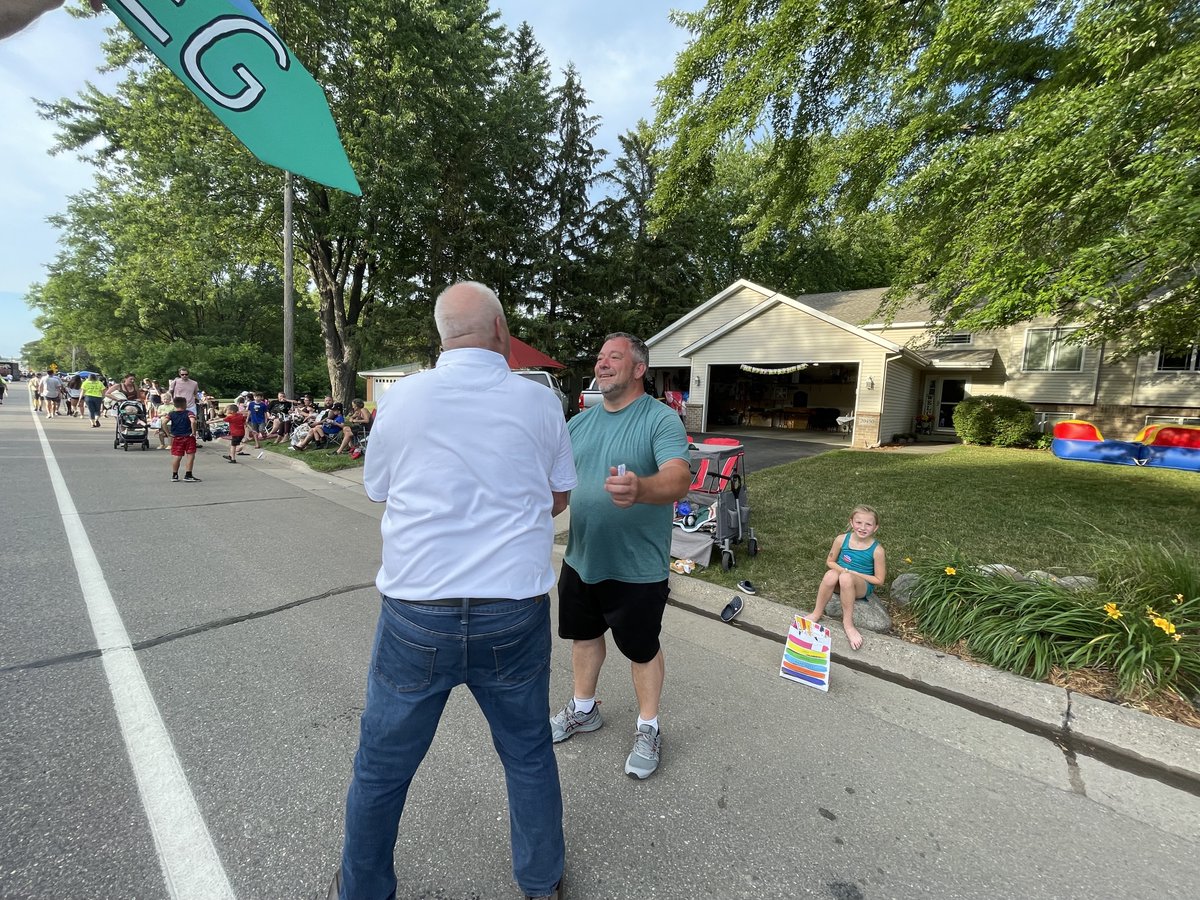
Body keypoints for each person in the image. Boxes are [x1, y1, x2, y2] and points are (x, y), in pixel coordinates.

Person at [332, 282, 575, 900]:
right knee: (527, 755)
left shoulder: (403, 399)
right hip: (512, 608)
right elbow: (557, 497)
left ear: (442, 336)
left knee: (382, 767)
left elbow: (378, 489)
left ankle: (363, 889)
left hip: (418, 609)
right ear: (501, 331)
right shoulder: (540, 402)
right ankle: (540, 882)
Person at [549, 332, 691, 782]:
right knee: (584, 636)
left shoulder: (659, 419)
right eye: (600, 357)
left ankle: (648, 727)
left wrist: (641, 488)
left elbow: (679, 477)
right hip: (582, 557)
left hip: (637, 567)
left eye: (614, 357)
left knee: (642, 648)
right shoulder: (578, 424)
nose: (602, 363)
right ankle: (584, 709)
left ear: (639, 368)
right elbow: (557, 491)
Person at [805, 505, 887, 650]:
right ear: (851, 522)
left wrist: (852, 574)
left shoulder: (877, 550)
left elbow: (879, 580)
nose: (863, 527)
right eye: (858, 522)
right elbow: (830, 562)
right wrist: (844, 571)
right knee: (830, 575)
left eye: (868, 524)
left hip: (861, 586)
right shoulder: (841, 540)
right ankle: (817, 613)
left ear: (875, 528)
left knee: (846, 578)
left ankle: (848, 624)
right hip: (842, 578)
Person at [165, 397, 201, 482]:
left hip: (177, 437)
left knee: (177, 456)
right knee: (190, 455)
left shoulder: (171, 414)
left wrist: (168, 433)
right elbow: (193, 421)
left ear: (174, 405)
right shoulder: (189, 413)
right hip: (188, 436)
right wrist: (193, 432)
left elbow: (163, 422)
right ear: (185, 404)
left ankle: (174, 475)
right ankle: (188, 474)